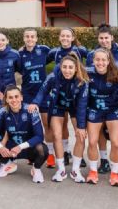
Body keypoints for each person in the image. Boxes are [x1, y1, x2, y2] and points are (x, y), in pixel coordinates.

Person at [28, 53, 89, 182]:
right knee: (56, 135)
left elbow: (82, 106)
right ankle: (61, 170)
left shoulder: (82, 82)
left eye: (70, 68)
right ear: (60, 67)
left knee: (81, 135)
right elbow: (42, 91)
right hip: (58, 106)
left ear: (76, 68)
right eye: (64, 67)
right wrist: (35, 103)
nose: (67, 70)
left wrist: (81, 127)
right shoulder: (53, 77)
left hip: (75, 107)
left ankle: (75, 170)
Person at [0, 85, 48, 182]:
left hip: (27, 148)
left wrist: (20, 147)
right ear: (6, 100)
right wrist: (1, 147)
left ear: (21, 97)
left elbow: (40, 136)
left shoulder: (31, 111)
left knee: (42, 149)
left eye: (16, 96)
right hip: (10, 149)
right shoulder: (2, 112)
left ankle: (36, 169)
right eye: (10, 97)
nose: (14, 100)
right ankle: (7, 163)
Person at [86, 23, 118, 174]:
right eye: (101, 38)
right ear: (98, 39)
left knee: (114, 136)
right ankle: (103, 160)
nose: (104, 40)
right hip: (97, 103)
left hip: (113, 100)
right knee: (98, 133)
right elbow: (89, 78)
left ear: (112, 37)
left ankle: (115, 166)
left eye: (106, 37)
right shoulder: (92, 55)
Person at [47, 27, 88, 164]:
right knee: (63, 125)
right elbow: (40, 62)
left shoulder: (80, 50)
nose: (65, 38)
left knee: (78, 126)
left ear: (72, 37)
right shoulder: (54, 52)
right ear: (59, 37)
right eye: (62, 36)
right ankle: (65, 152)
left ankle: (79, 156)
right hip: (61, 92)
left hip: (75, 92)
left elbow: (94, 58)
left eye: (67, 36)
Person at [18, 28, 54, 167]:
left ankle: (50, 154)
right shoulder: (19, 54)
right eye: (27, 36)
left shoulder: (44, 50)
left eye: (32, 36)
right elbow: (17, 69)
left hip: (43, 93)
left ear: (37, 38)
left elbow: (55, 56)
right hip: (27, 94)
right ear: (23, 38)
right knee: (29, 125)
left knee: (47, 124)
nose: (30, 39)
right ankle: (31, 153)